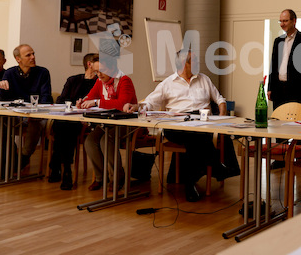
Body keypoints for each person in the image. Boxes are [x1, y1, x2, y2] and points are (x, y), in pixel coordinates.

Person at [124, 49, 239, 202]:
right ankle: (216, 167)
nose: (199, 64)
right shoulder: (168, 83)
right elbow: (150, 102)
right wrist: (135, 106)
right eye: (195, 61)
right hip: (177, 125)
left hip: (203, 124)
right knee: (196, 138)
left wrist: (222, 116)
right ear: (185, 64)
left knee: (196, 139)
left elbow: (220, 99)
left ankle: (190, 184)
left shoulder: (204, 79)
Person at [77, 56, 137, 191]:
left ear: (112, 68)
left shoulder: (124, 80)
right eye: (96, 71)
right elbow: (91, 96)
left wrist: (97, 102)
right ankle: (101, 178)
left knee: (106, 140)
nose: (98, 75)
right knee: (89, 141)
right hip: (108, 122)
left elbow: (122, 104)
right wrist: (83, 101)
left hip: (126, 122)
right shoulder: (100, 81)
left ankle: (118, 177)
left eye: (101, 71)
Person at [0, 44, 52, 170]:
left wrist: (37, 112)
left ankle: (24, 157)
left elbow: (46, 97)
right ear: (18, 59)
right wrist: (1, 87)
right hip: (16, 115)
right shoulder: (10, 73)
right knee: (0, 121)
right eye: (28, 55)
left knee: (34, 122)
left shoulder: (43, 72)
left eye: (33, 54)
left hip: (36, 114)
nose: (33, 57)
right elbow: (3, 99)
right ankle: (9, 155)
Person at [49, 53, 98, 190]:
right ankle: (66, 169)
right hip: (70, 117)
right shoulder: (73, 80)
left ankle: (59, 167)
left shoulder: (99, 82)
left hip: (86, 120)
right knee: (62, 124)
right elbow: (61, 99)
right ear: (90, 64)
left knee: (66, 127)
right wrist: (75, 104)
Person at [267, 9, 301, 109]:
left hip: (296, 90)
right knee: (277, 121)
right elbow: (273, 65)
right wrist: (270, 88)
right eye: (280, 21)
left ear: (294, 21)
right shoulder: (278, 41)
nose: (282, 24)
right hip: (278, 90)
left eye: (285, 21)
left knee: (295, 121)